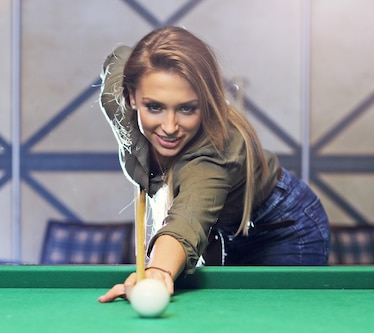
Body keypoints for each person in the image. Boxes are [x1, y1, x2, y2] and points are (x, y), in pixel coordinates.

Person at [98, 26, 330, 302]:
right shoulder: (117, 99)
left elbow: (188, 220)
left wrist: (158, 271)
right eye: (155, 107)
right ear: (131, 96)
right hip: (226, 228)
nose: (170, 127)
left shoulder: (213, 154)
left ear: (206, 104)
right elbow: (119, 57)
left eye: (187, 108)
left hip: (284, 225)